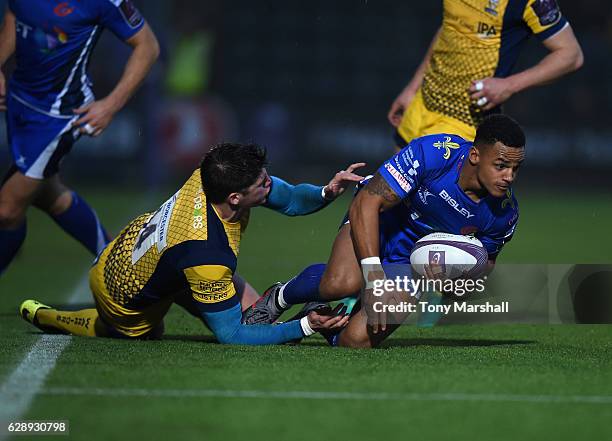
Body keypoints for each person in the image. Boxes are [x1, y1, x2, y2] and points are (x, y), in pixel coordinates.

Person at [19, 143, 365, 344]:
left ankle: (282, 295)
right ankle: (53, 316)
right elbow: (231, 337)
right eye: (263, 184)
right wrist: (305, 326)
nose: (270, 186)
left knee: (256, 320)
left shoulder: (211, 173)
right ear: (235, 197)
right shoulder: (207, 255)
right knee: (147, 333)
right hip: (122, 292)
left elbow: (288, 198)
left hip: (133, 251)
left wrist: (326, 191)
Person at [244, 114, 524, 348]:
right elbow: (367, 203)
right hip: (379, 223)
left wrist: (450, 284)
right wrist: (375, 280)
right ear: (475, 155)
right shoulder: (435, 154)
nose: (509, 177)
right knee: (341, 284)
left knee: (355, 341)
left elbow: (484, 263)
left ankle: (314, 317)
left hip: (413, 264)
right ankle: (281, 296)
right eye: (501, 166)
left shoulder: (504, 213)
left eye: (515, 168)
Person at [0, 0, 160, 275]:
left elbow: (147, 46)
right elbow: (15, 15)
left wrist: (110, 105)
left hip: (59, 115)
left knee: (7, 210)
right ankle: (124, 265)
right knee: (48, 195)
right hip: (19, 101)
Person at [387, 0, 583, 147]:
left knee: (427, 199)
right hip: (422, 106)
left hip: (465, 122)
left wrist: (508, 85)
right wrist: (412, 88)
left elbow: (571, 54)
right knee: (387, 197)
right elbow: (450, 28)